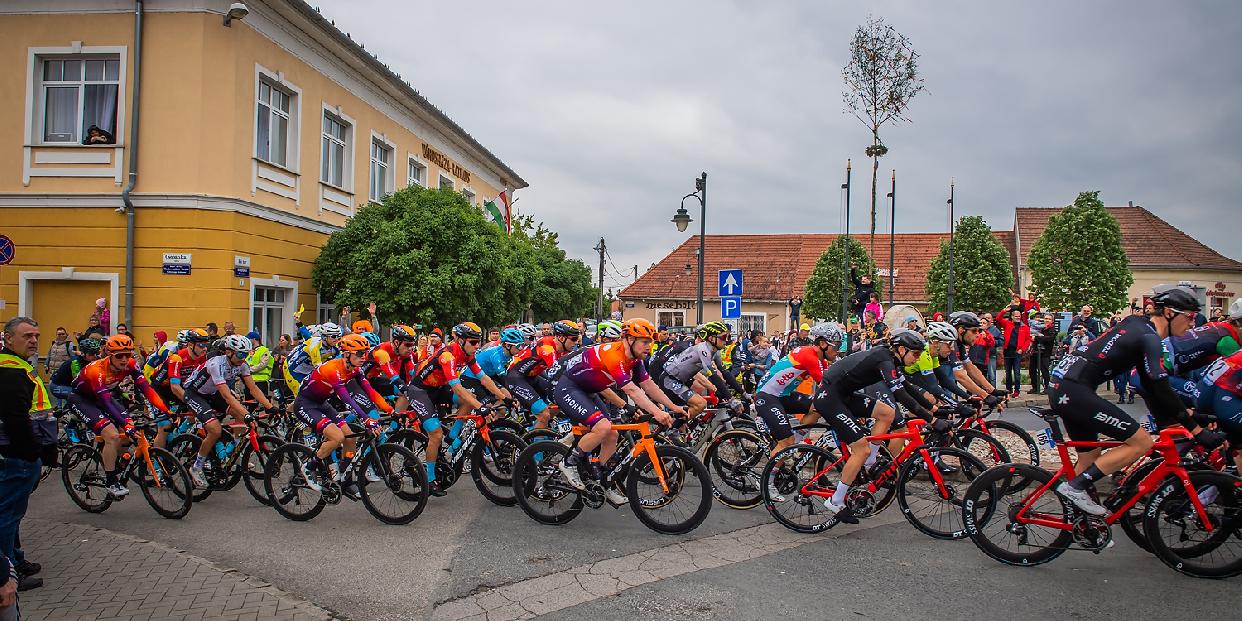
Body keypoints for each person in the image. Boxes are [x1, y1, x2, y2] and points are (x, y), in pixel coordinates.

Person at [1048, 286, 1224, 515]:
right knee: (1142, 442)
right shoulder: (1150, 338)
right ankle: (1075, 488)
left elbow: (1151, 386)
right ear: (1169, 313)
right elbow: (1160, 386)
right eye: (1189, 317)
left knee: (1090, 459)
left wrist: (1181, 418)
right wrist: (1197, 431)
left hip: (1066, 386)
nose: (1193, 323)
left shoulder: (1137, 325)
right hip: (1073, 390)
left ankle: (1081, 524)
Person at [553, 319, 681, 504]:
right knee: (603, 427)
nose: (649, 346)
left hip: (589, 391)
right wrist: (656, 412)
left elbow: (648, 385)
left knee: (611, 434)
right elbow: (632, 390)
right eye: (644, 342)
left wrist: (673, 407)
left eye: (651, 342)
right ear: (628, 339)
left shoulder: (635, 359)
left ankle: (601, 482)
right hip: (569, 388)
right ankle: (568, 463)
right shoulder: (614, 355)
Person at [811, 330, 928, 521]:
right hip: (830, 398)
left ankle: (871, 460)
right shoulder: (884, 359)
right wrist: (932, 419)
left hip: (843, 396)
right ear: (901, 349)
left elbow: (908, 389)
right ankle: (836, 500)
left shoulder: (890, 359)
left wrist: (933, 411)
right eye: (915, 354)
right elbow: (899, 394)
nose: (917, 358)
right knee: (861, 449)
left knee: (887, 413)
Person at [402, 322, 509, 496]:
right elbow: (458, 388)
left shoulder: (467, 355)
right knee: (436, 434)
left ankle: (453, 437)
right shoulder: (448, 356)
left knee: (471, 398)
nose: (477, 346)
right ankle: (429, 479)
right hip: (420, 391)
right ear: (459, 340)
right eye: (473, 342)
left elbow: (483, 378)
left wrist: (505, 398)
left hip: (438, 388)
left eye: (478, 342)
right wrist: (481, 408)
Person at [69, 335, 172, 497]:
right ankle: (111, 481)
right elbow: (107, 403)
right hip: (83, 400)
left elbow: (146, 388)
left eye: (128, 354)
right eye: (119, 356)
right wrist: (127, 424)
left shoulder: (131, 364)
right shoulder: (97, 371)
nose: (124, 359)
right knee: (112, 435)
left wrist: (166, 410)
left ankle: (117, 459)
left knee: (132, 432)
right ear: (109, 355)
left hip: (105, 397)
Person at [293, 334, 392, 488]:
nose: (364, 357)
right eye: (359, 354)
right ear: (346, 354)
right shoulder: (333, 369)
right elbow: (347, 399)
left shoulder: (356, 370)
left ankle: (343, 478)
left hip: (322, 403)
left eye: (365, 353)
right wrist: (367, 419)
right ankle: (309, 467)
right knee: (337, 437)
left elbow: (370, 392)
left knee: (350, 437)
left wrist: (390, 410)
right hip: (305, 405)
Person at [1, 317, 55, 596]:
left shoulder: (20, 365)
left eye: (36, 335)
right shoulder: (10, 370)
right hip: (17, 456)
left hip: (20, 454)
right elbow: (15, 420)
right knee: (8, 516)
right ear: (8, 339)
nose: (34, 340)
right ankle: (8, 575)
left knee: (14, 515)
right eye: (27, 336)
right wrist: (34, 451)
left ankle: (17, 560)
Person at [183, 335, 275, 487]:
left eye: (246, 354)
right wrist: (247, 414)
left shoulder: (242, 365)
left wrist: (270, 407)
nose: (243, 358)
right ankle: (196, 467)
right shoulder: (216, 364)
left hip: (212, 393)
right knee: (215, 429)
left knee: (243, 418)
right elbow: (227, 396)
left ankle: (233, 453)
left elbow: (253, 388)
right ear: (228, 352)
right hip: (195, 394)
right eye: (240, 354)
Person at [753, 323, 842, 457]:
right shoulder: (810, 357)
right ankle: (769, 476)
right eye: (837, 346)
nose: (838, 351)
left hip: (783, 395)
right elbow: (827, 387)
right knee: (786, 442)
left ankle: (795, 442)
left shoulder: (819, 359)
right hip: (767, 396)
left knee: (818, 407)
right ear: (823, 344)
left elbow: (832, 381)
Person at [505, 320, 580, 430]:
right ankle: (537, 445)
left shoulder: (563, 349)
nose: (576, 342)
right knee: (544, 414)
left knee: (560, 400)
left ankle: (535, 429)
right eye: (573, 339)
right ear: (561, 338)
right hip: (515, 378)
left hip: (532, 378)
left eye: (577, 338)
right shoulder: (547, 348)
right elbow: (556, 374)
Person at [50, 337, 102, 403]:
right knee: (79, 396)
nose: (95, 356)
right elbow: (79, 383)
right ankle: (68, 412)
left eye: (96, 353)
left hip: (68, 385)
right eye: (91, 354)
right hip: (57, 386)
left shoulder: (92, 359)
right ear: (83, 354)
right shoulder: (75, 363)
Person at [994, 308, 1032, 398]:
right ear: (1012, 317)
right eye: (1016, 316)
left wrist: (1022, 349)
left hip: (1017, 352)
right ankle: (1009, 389)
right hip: (1007, 351)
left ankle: (1017, 390)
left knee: (1017, 373)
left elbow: (1028, 340)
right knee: (1008, 372)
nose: (1018, 318)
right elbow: (998, 319)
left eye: (1019, 316)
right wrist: (1004, 311)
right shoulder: (1008, 324)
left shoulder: (1025, 327)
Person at [1028, 314, 1056, 394]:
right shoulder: (1040, 328)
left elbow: (1049, 339)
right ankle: (1035, 387)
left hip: (1045, 353)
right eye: (1046, 318)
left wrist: (1036, 338)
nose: (1047, 320)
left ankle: (1047, 388)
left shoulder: (1052, 329)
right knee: (1032, 370)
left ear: (1052, 321)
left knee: (1044, 371)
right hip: (1035, 351)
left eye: (1049, 319)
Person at [244, 331, 274, 398]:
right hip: (249, 381)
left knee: (262, 402)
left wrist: (249, 370)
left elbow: (263, 364)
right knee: (249, 402)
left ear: (254, 339)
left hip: (260, 382)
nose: (247, 341)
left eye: (249, 339)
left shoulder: (264, 350)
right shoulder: (249, 351)